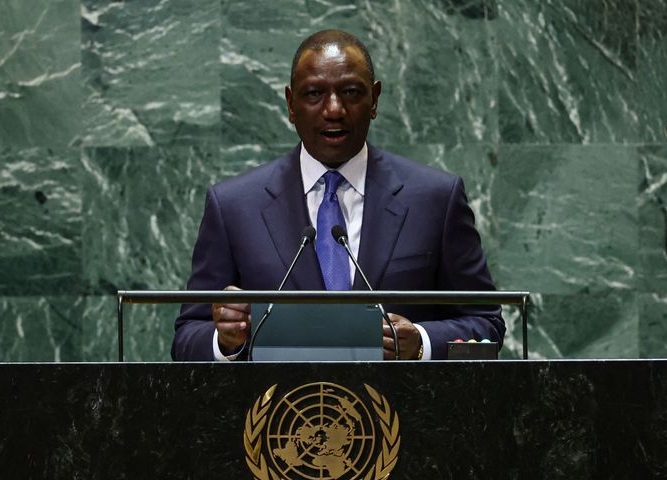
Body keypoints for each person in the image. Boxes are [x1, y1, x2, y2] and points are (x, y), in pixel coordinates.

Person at [171, 29, 505, 361]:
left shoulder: (436, 199)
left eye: (350, 92)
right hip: (281, 411)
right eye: (314, 93)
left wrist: (421, 342)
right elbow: (187, 338)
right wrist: (226, 340)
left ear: (374, 100)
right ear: (290, 104)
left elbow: (486, 324)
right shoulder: (233, 207)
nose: (334, 109)